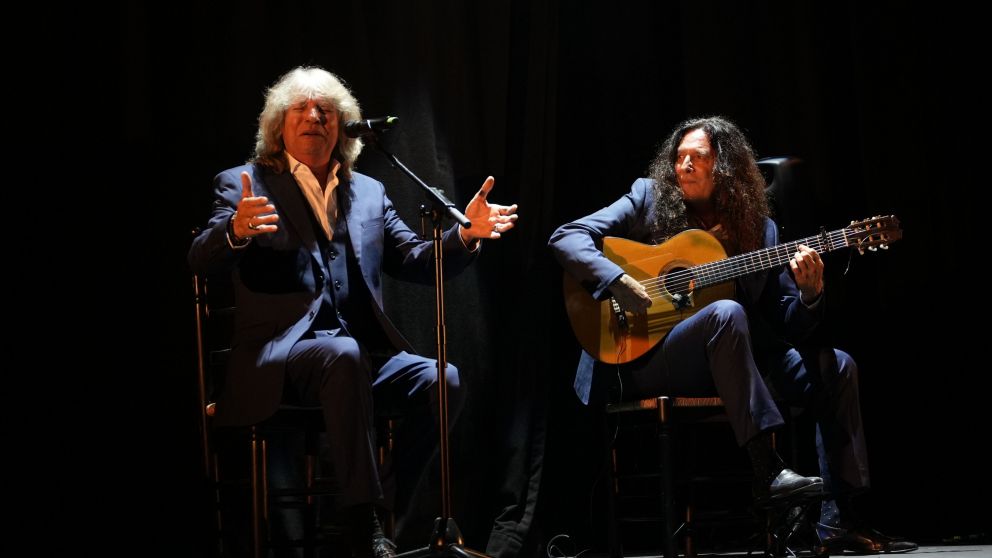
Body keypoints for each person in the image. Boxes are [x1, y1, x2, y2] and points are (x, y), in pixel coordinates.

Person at [189, 65, 518, 558]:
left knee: (442, 380)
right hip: (278, 358)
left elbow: (413, 257)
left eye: (326, 109)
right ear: (279, 125)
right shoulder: (246, 184)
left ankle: (381, 509)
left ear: (342, 126)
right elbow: (200, 257)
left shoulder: (367, 192)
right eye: (301, 107)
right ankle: (363, 525)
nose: (314, 115)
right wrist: (234, 231)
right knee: (343, 353)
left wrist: (465, 234)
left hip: (356, 364)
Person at [549, 116, 916, 554]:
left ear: (724, 168)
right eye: (679, 157)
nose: (683, 165)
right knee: (726, 312)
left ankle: (839, 521)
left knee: (838, 365)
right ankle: (769, 473)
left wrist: (810, 295)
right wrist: (615, 280)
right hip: (645, 359)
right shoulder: (647, 198)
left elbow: (786, 323)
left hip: (733, 365)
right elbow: (566, 237)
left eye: (697, 158)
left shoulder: (759, 230)